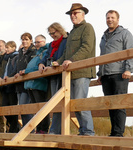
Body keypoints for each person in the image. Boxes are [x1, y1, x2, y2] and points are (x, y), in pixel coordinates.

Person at [53, 3, 96, 136]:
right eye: (71, 14)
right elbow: (66, 52)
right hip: (70, 73)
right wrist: (57, 62)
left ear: (83, 14)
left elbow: (86, 47)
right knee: (73, 103)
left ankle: (88, 132)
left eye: (76, 13)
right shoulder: (72, 32)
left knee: (80, 101)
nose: (73, 15)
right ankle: (83, 130)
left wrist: (72, 60)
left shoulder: (87, 28)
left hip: (82, 71)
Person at [97, 10, 133, 137]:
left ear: (118, 19)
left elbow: (131, 51)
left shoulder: (125, 33)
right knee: (110, 104)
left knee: (119, 104)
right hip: (106, 75)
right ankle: (114, 132)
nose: (110, 20)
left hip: (120, 73)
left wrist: (129, 69)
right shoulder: (104, 36)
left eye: (112, 17)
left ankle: (118, 133)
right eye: (108, 17)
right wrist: (100, 73)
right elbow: (102, 56)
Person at [38, 22, 68, 134]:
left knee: (60, 102)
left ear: (59, 30)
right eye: (50, 34)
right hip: (53, 76)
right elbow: (46, 56)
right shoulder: (51, 45)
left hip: (62, 74)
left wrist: (58, 62)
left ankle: (56, 130)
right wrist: (41, 64)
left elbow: (66, 54)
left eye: (53, 33)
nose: (52, 35)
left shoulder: (66, 40)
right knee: (54, 103)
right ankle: (55, 129)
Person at [20, 34, 50, 134]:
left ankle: (44, 129)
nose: (37, 44)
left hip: (39, 83)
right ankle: (38, 128)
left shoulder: (45, 52)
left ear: (44, 42)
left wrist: (26, 70)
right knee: (35, 108)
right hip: (31, 84)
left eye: (39, 42)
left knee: (42, 107)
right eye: (36, 42)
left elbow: (38, 67)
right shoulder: (37, 54)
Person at [14, 32, 36, 131]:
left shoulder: (33, 51)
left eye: (26, 39)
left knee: (25, 107)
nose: (24, 41)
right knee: (21, 109)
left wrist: (24, 72)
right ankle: (26, 128)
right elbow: (17, 67)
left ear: (31, 41)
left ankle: (29, 129)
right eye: (23, 39)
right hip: (19, 83)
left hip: (28, 83)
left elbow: (32, 66)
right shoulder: (20, 53)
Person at [0, 41, 19, 133]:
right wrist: (1, 78)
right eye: (6, 48)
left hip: (12, 86)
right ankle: (15, 127)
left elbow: (15, 70)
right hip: (6, 85)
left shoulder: (16, 57)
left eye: (8, 48)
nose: (6, 50)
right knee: (4, 108)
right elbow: (6, 71)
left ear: (14, 48)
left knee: (12, 108)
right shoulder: (8, 59)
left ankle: (14, 129)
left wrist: (9, 77)